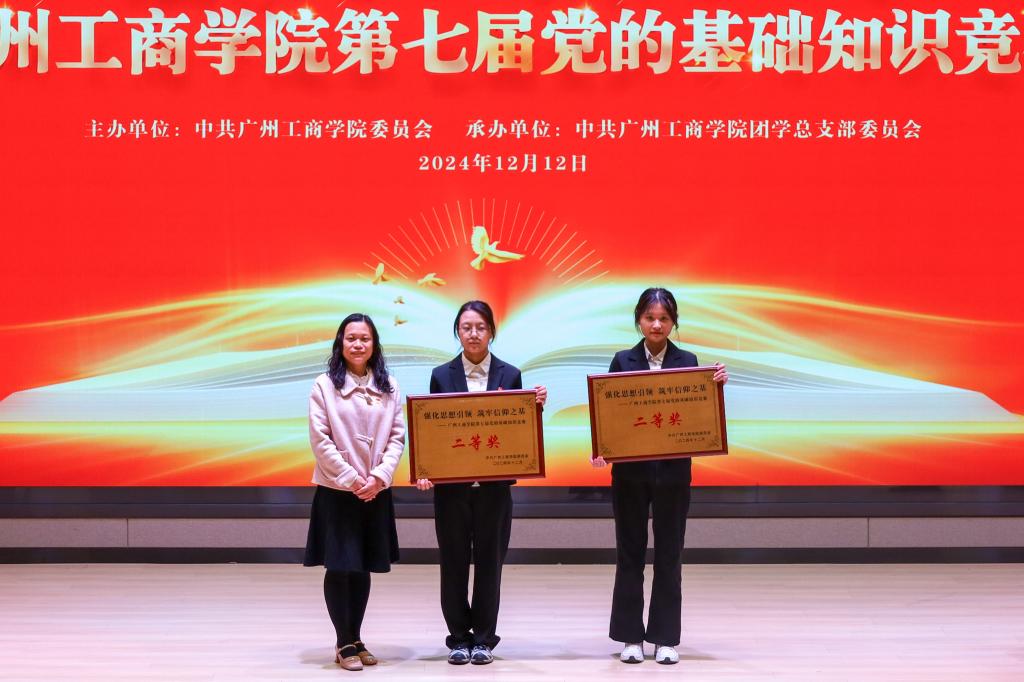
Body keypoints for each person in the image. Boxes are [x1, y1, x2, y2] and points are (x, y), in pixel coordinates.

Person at [592, 287, 729, 665]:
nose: (656, 325)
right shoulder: (622, 360)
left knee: (669, 554)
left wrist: (715, 386)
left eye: (664, 319)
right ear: (639, 320)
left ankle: (665, 638)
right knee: (630, 554)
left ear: (673, 322)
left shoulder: (689, 361)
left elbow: (699, 415)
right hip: (630, 475)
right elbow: (609, 413)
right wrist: (601, 446)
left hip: (673, 474)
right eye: (650, 318)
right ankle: (631, 637)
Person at [415, 300, 547, 665]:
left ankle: (484, 640)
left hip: (494, 490)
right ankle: (459, 638)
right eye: (466, 327)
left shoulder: (511, 374)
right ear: (457, 332)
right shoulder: (441, 375)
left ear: (491, 331)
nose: (473, 334)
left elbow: (517, 431)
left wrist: (534, 408)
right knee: (453, 565)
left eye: (480, 327)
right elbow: (433, 432)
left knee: (490, 565)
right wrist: (425, 468)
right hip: (452, 491)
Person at [303, 313, 406, 671]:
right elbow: (320, 440)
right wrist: (351, 479)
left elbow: (397, 437)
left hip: (375, 490)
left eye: (365, 338)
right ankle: (343, 641)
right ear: (340, 343)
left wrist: (379, 477)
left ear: (374, 344)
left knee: (362, 566)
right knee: (340, 565)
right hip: (337, 491)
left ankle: (357, 638)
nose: (358, 344)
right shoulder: (323, 386)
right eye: (351, 338)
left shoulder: (389, 385)